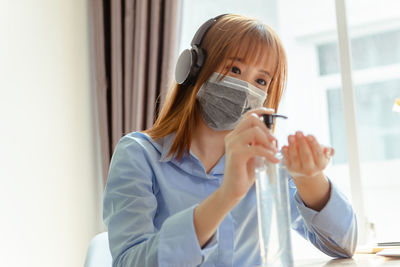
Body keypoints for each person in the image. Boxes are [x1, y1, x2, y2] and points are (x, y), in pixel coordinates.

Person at [103, 14, 357, 267]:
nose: (245, 88)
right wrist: (226, 196)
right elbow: (129, 262)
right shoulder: (138, 155)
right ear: (192, 69)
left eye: (260, 80)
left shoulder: (266, 162)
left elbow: (343, 245)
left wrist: (309, 178)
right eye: (234, 69)